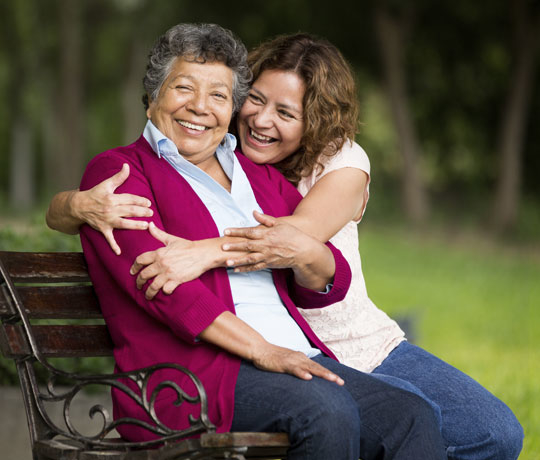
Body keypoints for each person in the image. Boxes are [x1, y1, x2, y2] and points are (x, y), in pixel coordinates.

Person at [46, 30, 524, 460]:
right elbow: (166, 289)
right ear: (152, 96)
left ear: (228, 109)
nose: (199, 106)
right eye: (183, 88)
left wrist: (300, 263)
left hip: (301, 355)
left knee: (410, 415)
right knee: (325, 410)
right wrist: (264, 350)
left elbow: (321, 272)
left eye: (217, 94)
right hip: (194, 376)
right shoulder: (123, 171)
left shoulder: (258, 176)